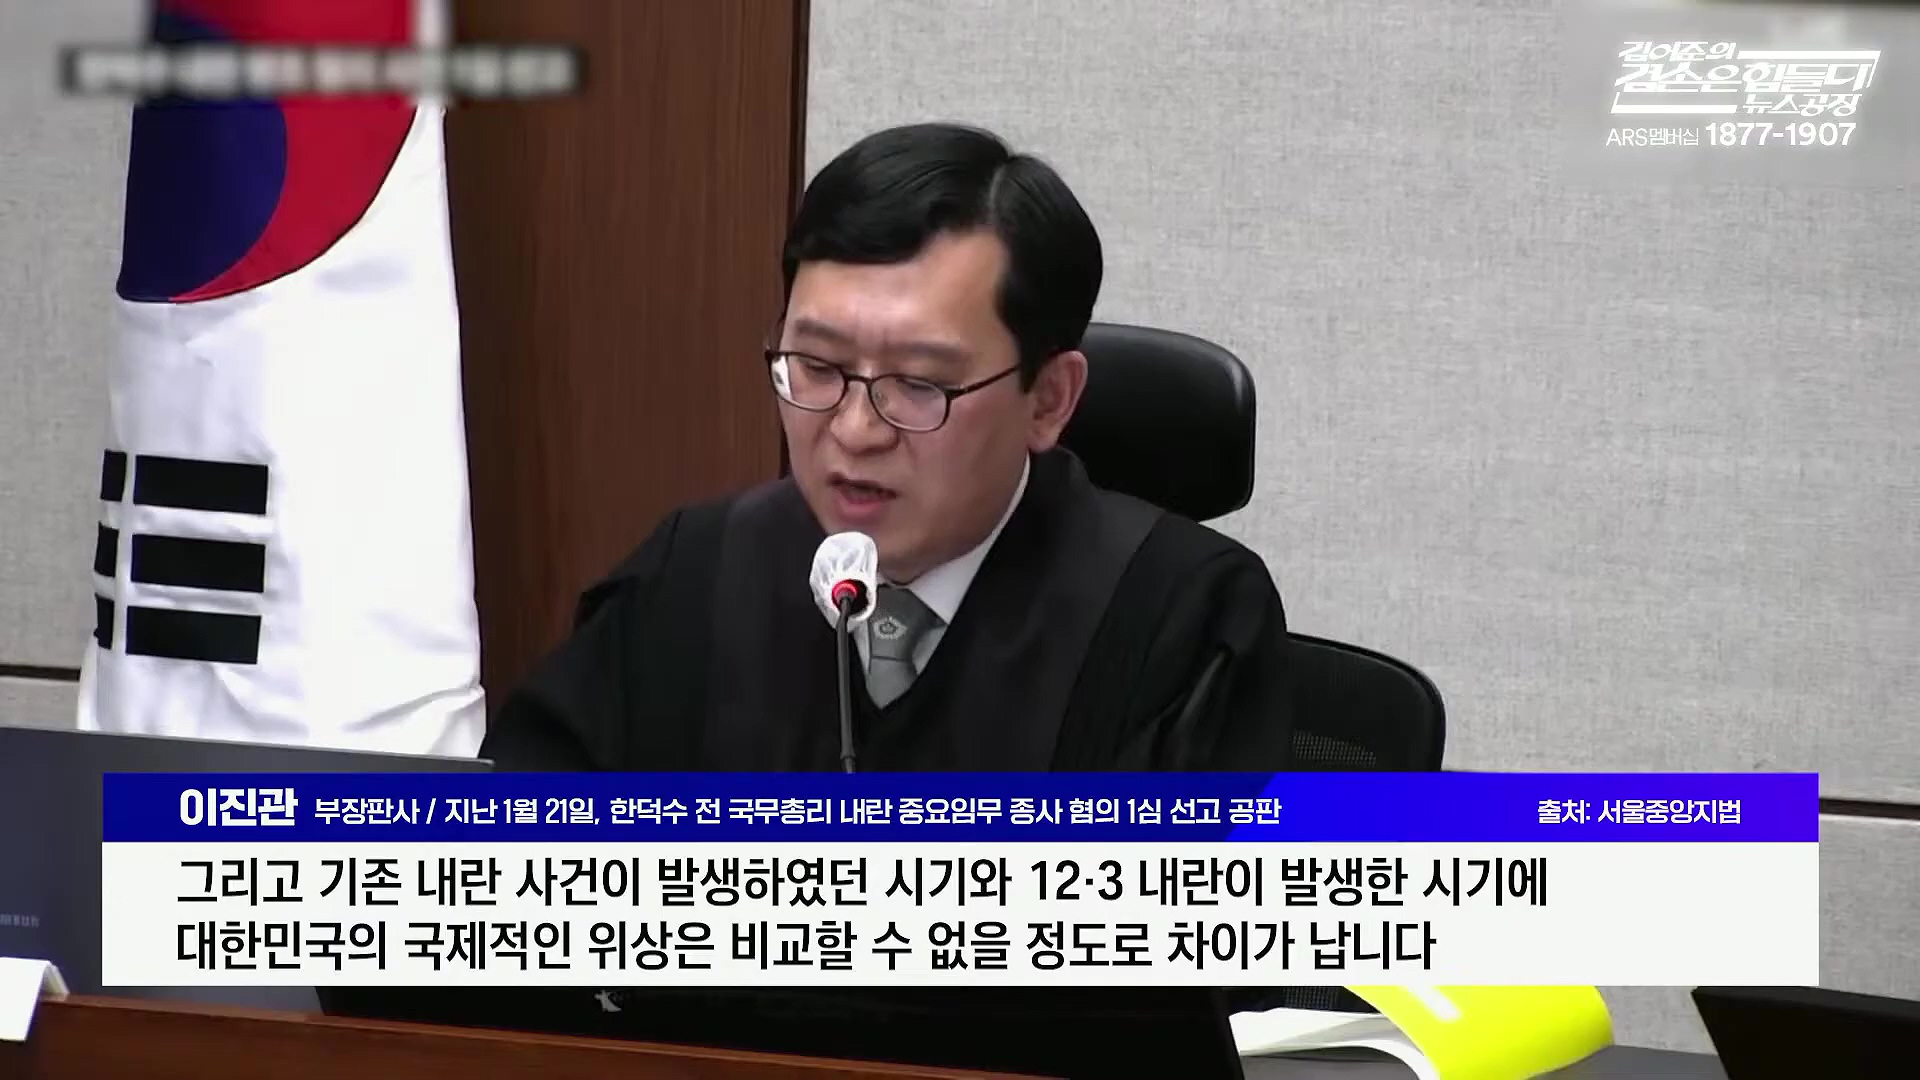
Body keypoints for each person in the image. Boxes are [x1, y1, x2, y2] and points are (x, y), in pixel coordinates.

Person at [480, 121, 1294, 774]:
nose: (856, 430)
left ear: (1048, 400)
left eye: (919, 383)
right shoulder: (694, 572)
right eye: (817, 366)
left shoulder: (1181, 621)